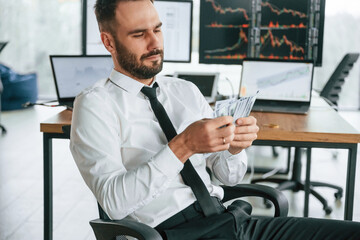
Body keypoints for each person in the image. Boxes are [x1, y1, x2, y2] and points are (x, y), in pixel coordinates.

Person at [70, 0, 360, 239]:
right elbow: (115, 203)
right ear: (108, 41)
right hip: (171, 233)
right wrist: (182, 146)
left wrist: (234, 149)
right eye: (138, 34)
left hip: (232, 223)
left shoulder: (185, 91)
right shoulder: (95, 105)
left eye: (157, 29)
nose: (154, 42)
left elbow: (229, 176)